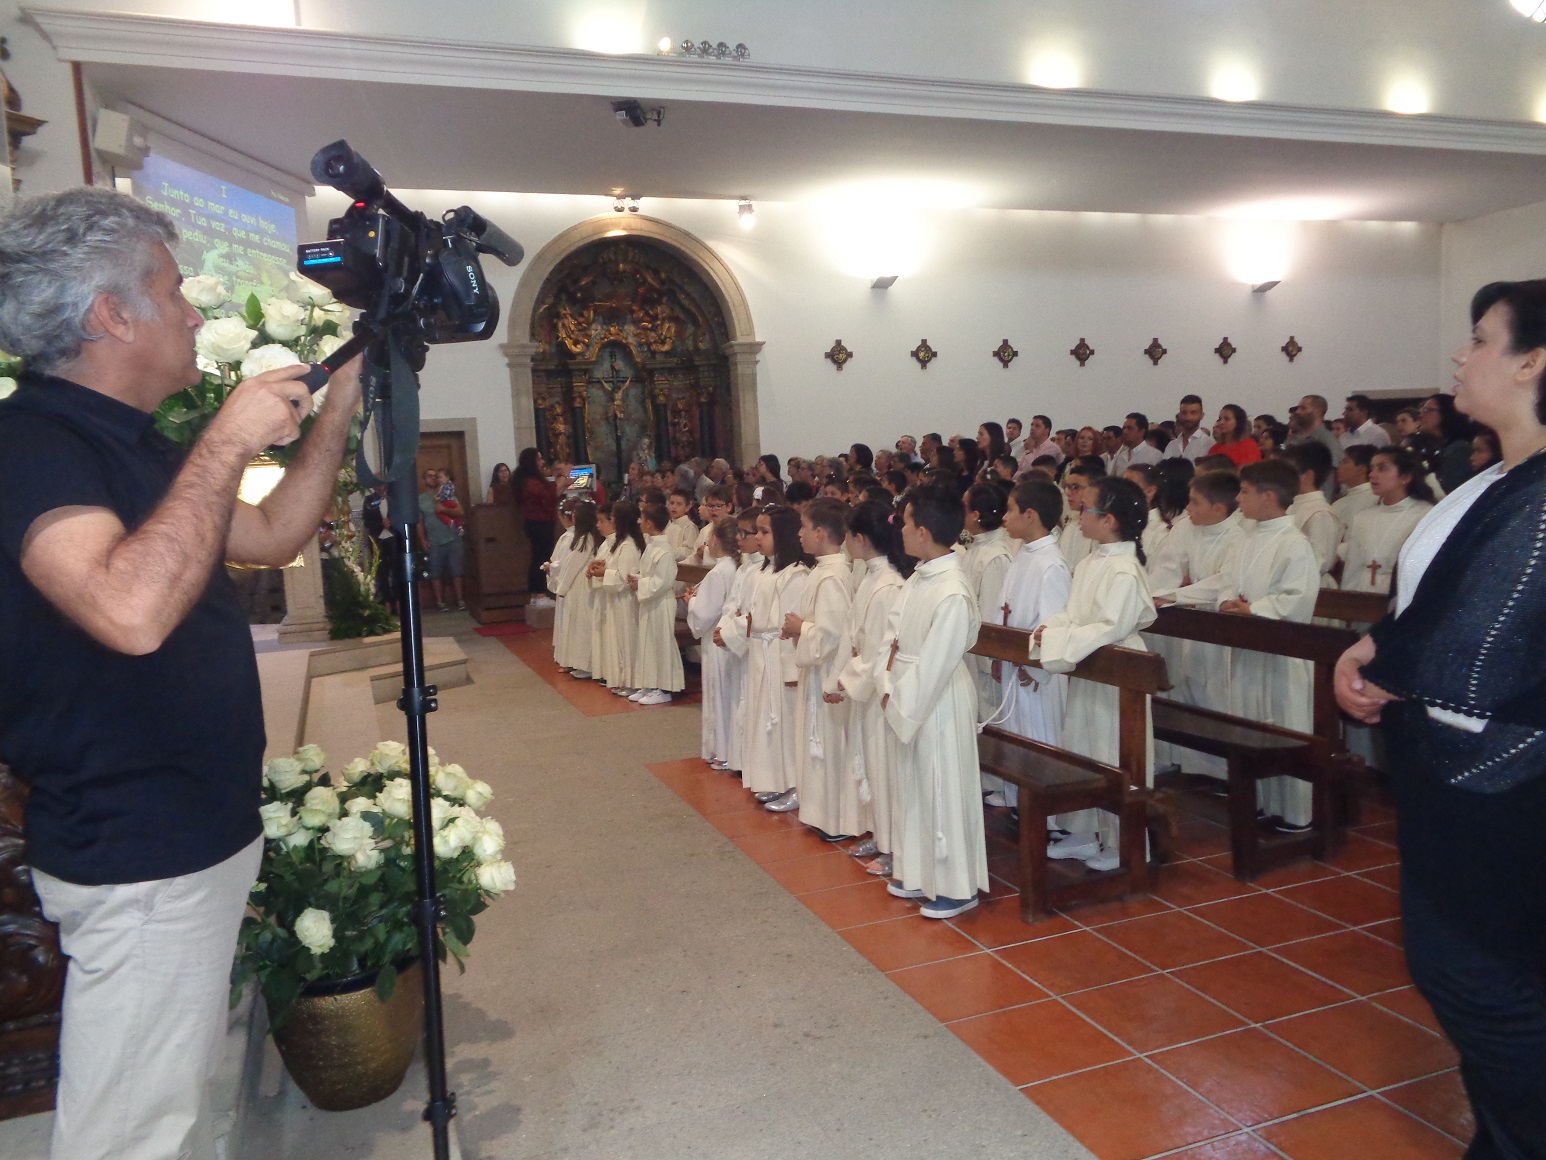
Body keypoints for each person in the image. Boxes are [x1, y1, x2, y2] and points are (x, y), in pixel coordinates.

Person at [0, 186, 363, 1160]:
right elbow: (129, 612)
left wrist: (338, 408)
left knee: (176, 1107)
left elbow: (273, 533)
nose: (196, 313)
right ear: (110, 314)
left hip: (190, 832)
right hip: (136, 846)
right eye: (172, 290)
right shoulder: (32, 444)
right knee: (134, 1132)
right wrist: (229, 437)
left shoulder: (134, 442)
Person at [1337, 280, 1546, 1160]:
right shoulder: (1494, 479)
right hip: (1456, 769)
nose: (1461, 355)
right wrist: (1372, 643)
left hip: (1503, 777)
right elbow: (1432, 600)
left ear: (1533, 363)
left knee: (1479, 979)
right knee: (1475, 972)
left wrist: (1387, 665)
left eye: (1481, 338)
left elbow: (1482, 648)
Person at [1171, 460, 1320, 829]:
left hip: (1280, 655)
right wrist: (1225, 600)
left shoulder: (1294, 543)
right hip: (1246, 650)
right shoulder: (1246, 537)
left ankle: (1296, 813)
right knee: (1248, 724)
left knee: (1283, 727)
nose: (1238, 498)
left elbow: (1298, 598)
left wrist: (1254, 609)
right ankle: (1259, 801)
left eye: (1245, 491)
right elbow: (1226, 580)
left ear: (1268, 497)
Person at [1034, 476, 1156, 870]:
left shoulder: (1124, 569)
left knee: (1113, 751)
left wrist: (1060, 639)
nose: (1078, 515)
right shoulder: (1091, 561)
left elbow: (1111, 626)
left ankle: (1124, 844)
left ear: (1110, 520)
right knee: (1084, 749)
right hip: (1091, 663)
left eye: (1086, 509)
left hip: (1119, 668)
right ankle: (1086, 832)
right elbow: (1073, 613)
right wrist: (1051, 627)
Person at [880, 485, 988, 918]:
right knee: (915, 785)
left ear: (923, 532)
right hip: (909, 687)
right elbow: (894, 634)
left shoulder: (952, 590)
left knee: (942, 786)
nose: (901, 530)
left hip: (938, 696)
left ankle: (958, 887)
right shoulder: (921, 577)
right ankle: (918, 872)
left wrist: (898, 698)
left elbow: (937, 661)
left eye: (906, 523)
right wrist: (886, 679)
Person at [983, 479, 1071, 809]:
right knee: (1017, 734)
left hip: (1034, 675)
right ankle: (1019, 802)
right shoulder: (1024, 554)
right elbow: (1003, 607)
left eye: (1010, 510)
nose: (1004, 517)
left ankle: (1047, 814)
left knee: (1039, 735)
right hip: (1013, 662)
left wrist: (1037, 668)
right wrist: (997, 655)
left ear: (1030, 515)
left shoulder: (1051, 564)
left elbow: (1054, 624)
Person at [834, 500, 910, 875]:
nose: (845, 542)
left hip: (881, 690)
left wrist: (848, 678)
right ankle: (880, 834)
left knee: (885, 767)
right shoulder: (870, 577)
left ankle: (895, 846)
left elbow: (883, 651)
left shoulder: (888, 585)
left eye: (848, 536)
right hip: (865, 683)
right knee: (870, 764)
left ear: (861, 539)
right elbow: (855, 635)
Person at [784, 497, 859, 839]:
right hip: (816, 671)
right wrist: (797, 628)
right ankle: (821, 813)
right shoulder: (823, 571)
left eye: (804, 527)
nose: (798, 534)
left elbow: (833, 634)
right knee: (817, 745)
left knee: (829, 745)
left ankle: (837, 819)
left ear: (821, 532)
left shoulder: (833, 577)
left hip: (828, 673)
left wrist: (801, 628)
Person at [744, 506, 812, 811]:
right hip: (763, 651)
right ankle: (776, 779)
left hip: (780, 654)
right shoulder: (767, 570)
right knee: (768, 722)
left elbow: (789, 625)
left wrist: (790, 670)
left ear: (783, 534)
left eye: (765, 531)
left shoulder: (795, 574)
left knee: (787, 722)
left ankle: (796, 784)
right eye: (757, 531)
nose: (757, 537)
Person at [1340, 447, 1435, 595]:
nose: (1372, 474)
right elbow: (1352, 568)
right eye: (1372, 468)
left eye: (1382, 468)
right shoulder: (1363, 517)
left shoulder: (1424, 515)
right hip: (1361, 594)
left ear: (1405, 477)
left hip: (1400, 594)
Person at [687, 517, 740, 767]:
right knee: (729, 695)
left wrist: (691, 601)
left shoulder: (719, 572)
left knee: (718, 695)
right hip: (730, 639)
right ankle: (728, 750)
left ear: (716, 539)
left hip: (718, 640)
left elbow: (704, 615)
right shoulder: (735, 567)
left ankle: (722, 752)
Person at [626, 504, 684, 706]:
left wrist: (640, 584)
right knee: (648, 643)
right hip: (650, 602)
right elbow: (649, 574)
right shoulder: (651, 546)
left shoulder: (664, 551)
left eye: (642, 519)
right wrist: (637, 578)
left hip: (661, 603)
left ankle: (664, 688)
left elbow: (662, 582)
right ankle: (650, 684)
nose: (639, 522)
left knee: (661, 644)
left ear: (650, 523)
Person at [588, 501, 644, 697]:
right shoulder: (619, 544)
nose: (611, 521)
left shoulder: (628, 546)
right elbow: (615, 569)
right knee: (618, 640)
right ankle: (621, 679)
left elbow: (624, 577)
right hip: (616, 600)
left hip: (625, 600)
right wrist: (600, 567)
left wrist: (604, 572)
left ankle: (631, 681)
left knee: (626, 640)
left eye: (613, 518)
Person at [553, 499, 602, 680]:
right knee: (578, 624)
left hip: (580, 587)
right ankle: (580, 663)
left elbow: (571, 566)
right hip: (579, 586)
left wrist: (562, 587)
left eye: (575, 514)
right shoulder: (587, 538)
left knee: (582, 625)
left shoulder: (584, 540)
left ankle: (587, 665)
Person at [1280, 442, 1340, 586]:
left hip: (1310, 587)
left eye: (1287, 472)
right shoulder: (1292, 506)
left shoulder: (1320, 512)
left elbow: (1321, 561)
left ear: (1307, 476)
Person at [513, 447, 558, 608]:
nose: (542, 462)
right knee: (541, 558)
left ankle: (535, 594)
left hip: (538, 522)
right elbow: (547, 498)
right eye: (539, 459)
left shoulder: (530, 480)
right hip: (539, 522)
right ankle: (539, 593)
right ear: (531, 461)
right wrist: (561, 482)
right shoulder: (530, 482)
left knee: (538, 557)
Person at [418, 467, 465, 611]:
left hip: (453, 538)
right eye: (429, 476)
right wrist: (422, 539)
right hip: (434, 541)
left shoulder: (447, 493)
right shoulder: (421, 499)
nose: (433, 478)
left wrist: (443, 509)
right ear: (424, 480)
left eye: (435, 476)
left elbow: (460, 511)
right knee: (436, 572)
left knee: (457, 570)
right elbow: (420, 522)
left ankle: (460, 600)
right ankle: (440, 602)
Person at [1417, 393, 1475, 495]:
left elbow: (1450, 491)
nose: (1420, 415)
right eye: (1422, 410)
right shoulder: (1435, 447)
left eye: (1428, 410)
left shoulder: (1459, 450)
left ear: (1446, 414)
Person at [1331, 445, 1379, 534]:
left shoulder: (1376, 498)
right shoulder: (1339, 504)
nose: (1339, 467)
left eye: (1345, 462)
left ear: (1361, 469)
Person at [1164, 394, 1216, 461]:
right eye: (1184, 413)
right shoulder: (1172, 445)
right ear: (1179, 415)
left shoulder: (1208, 443)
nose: (1188, 417)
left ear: (1201, 415)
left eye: (1193, 413)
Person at [1211, 403, 1263, 468]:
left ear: (1238, 422)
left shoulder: (1248, 445)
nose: (1221, 422)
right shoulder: (1215, 449)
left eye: (1227, 419)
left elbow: (1251, 471)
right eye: (1220, 419)